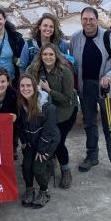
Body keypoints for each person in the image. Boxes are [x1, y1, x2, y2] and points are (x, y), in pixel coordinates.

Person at [70, 6, 111, 185]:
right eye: (84, 19)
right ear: (81, 20)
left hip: (105, 88)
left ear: (97, 20)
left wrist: (109, 76)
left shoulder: (109, 38)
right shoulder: (75, 38)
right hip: (85, 87)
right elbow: (72, 61)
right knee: (89, 123)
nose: (88, 22)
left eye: (91, 19)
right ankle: (92, 155)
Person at [27, 45, 79, 188]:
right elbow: (25, 84)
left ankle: (65, 169)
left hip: (65, 112)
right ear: (40, 56)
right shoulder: (34, 69)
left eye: (51, 54)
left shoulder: (65, 72)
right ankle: (49, 163)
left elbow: (68, 99)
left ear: (56, 56)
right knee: (44, 139)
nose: (48, 57)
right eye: (45, 54)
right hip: (45, 112)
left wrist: (49, 90)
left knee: (58, 141)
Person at [16, 75, 61, 208]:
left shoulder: (47, 107)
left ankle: (44, 191)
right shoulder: (21, 103)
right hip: (31, 140)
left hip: (47, 142)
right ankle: (30, 189)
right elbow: (19, 125)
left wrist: (42, 149)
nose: (25, 89)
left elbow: (48, 131)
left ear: (35, 87)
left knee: (38, 168)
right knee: (26, 166)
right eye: (22, 86)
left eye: (28, 85)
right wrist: (23, 140)